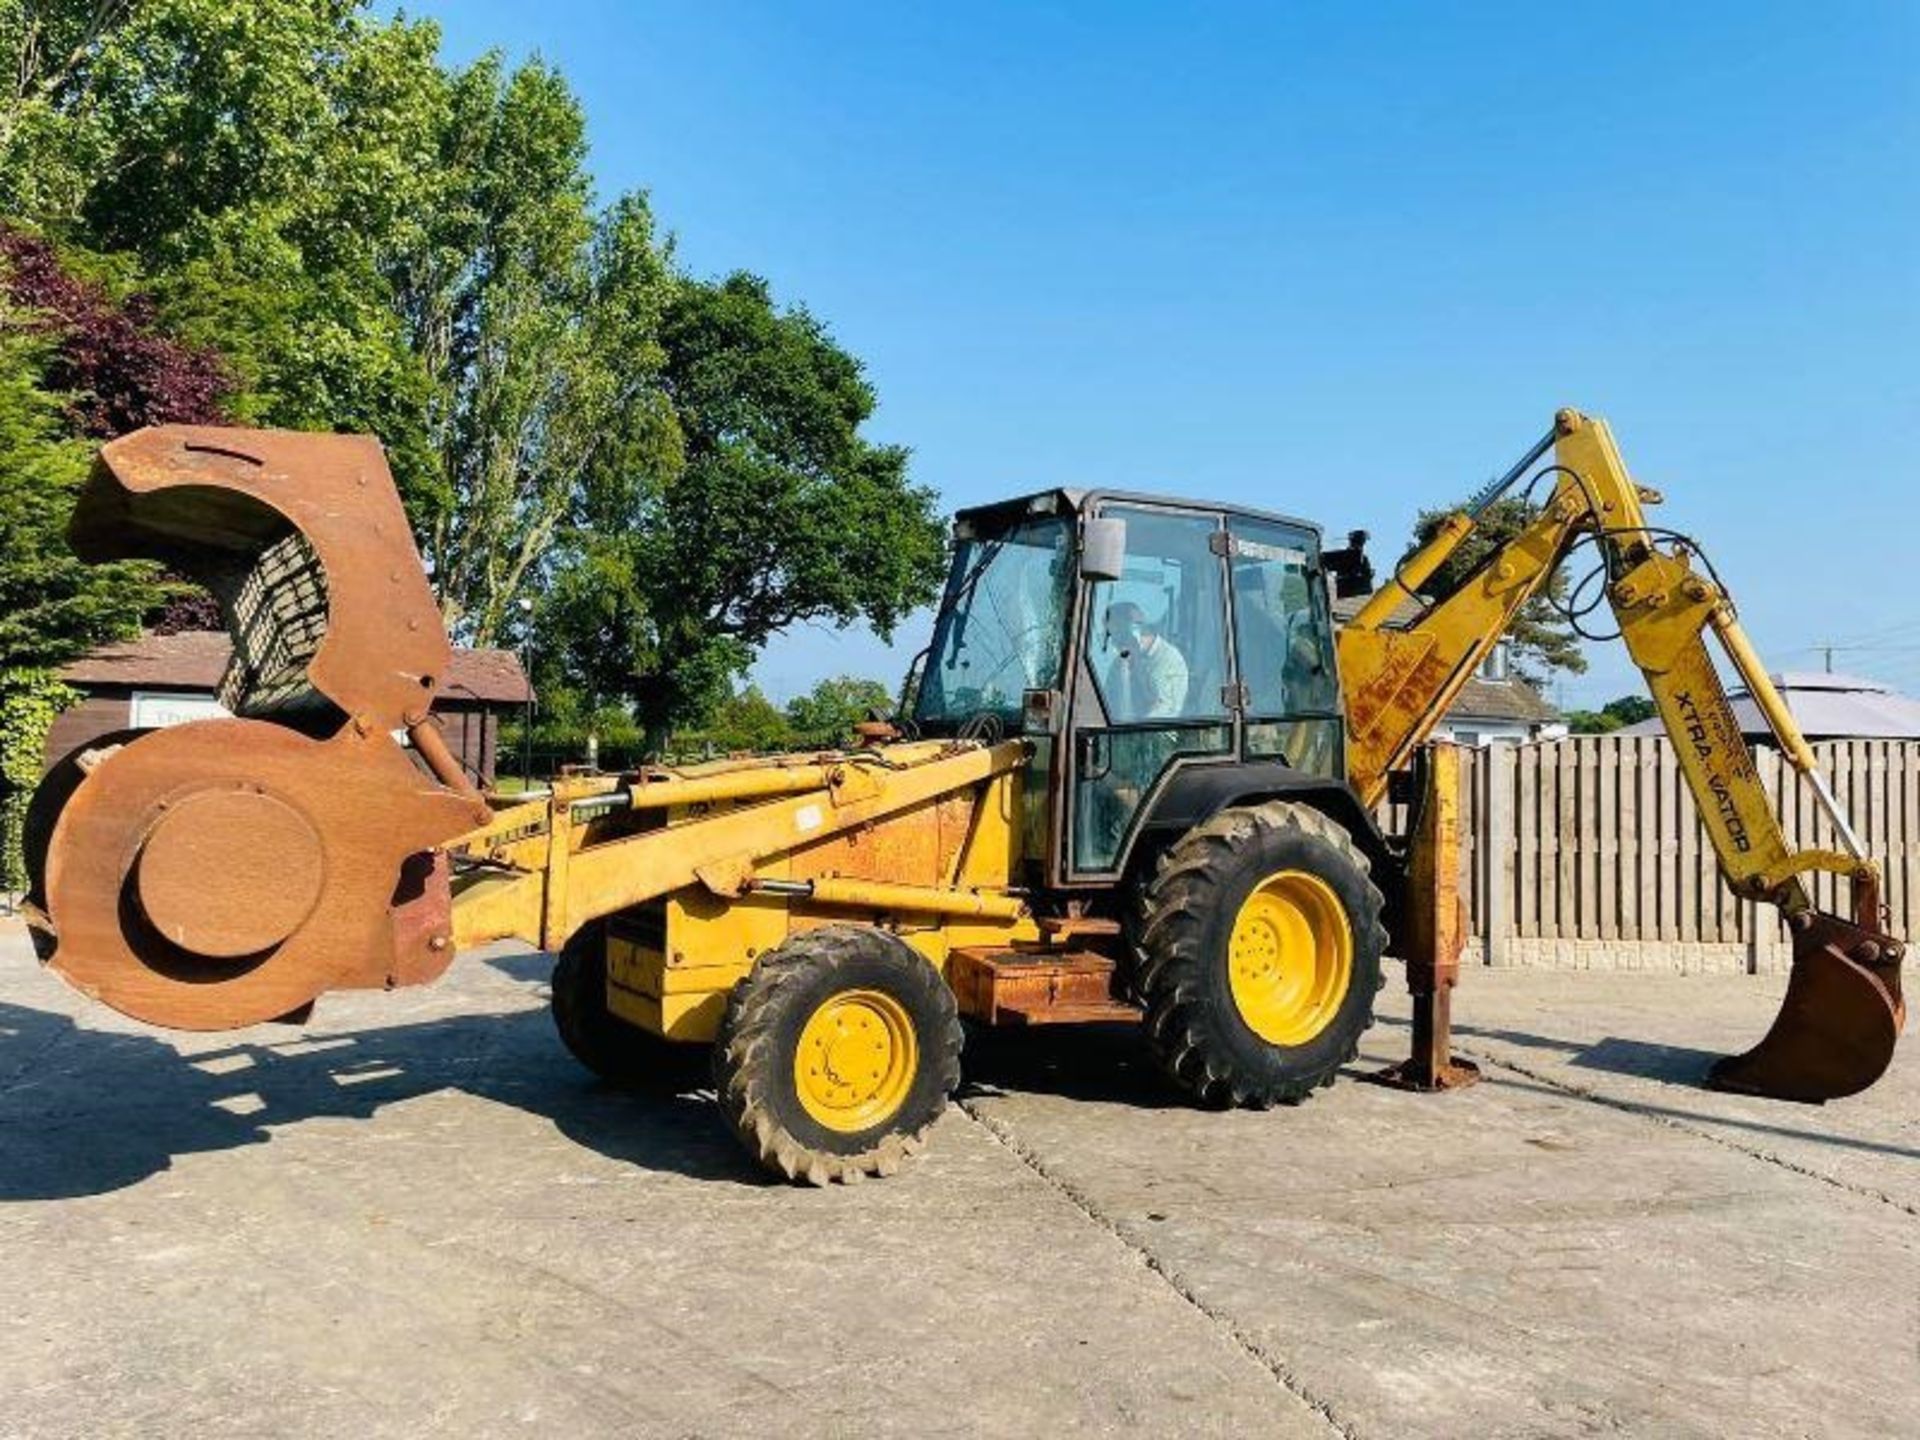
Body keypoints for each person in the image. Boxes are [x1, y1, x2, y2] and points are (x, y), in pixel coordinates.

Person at [1103, 602, 1189, 720]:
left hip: (1156, 735)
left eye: (1117, 637)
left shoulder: (1167, 661)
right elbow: (1105, 702)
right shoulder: (1120, 663)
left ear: (1135, 633)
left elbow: (1161, 714)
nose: (1114, 645)